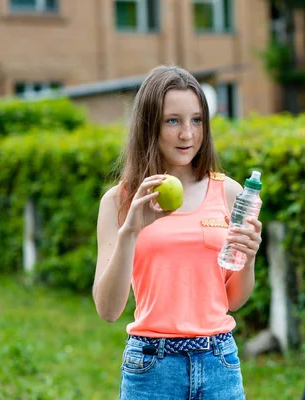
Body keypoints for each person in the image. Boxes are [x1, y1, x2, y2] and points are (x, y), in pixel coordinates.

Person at [93, 66, 261, 400]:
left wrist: (249, 257)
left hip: (220, 362)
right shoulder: (120, 201)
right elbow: (108, 310)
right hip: (152, 368)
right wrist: (130, 232)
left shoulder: (229, 193)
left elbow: (233, 301)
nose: (187, 134)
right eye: (173, 121)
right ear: (148, 125)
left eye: (196, 120)